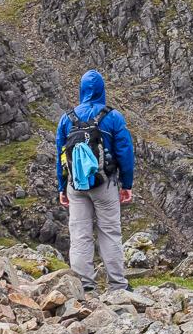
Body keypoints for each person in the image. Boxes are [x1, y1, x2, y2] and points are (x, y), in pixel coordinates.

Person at [56, 70, 134, 292]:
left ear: (82, 90)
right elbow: (125, 153)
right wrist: (126, 184)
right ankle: (118, 286)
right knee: (109, 232)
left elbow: (61, 155)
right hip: (104, 184)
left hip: (75, 185)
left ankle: (85, 287)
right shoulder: (113, 117)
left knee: (80, 234)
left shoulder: (67, 118)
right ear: (102, 90)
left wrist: (62, 186)